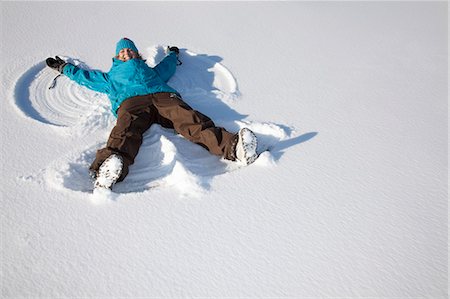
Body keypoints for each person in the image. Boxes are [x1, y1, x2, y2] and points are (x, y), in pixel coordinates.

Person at [46, 37, 258, 190]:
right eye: (122, 52)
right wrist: (64, 68)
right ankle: (107, 169)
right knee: (126, 130)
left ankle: (233, 147)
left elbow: (168, 67)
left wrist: (173, 55)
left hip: (163, 97)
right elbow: (86, 77)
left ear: (136, 54)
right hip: (131, 102)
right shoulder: (111, 76)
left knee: (192, 121)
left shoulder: (151, 71)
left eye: (129, 51)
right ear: (117, 57)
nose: (126, 53)